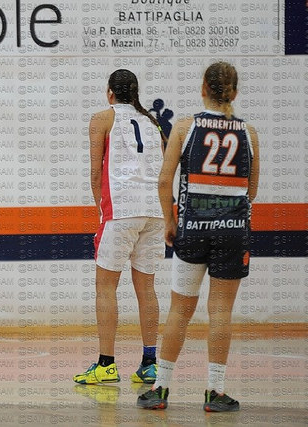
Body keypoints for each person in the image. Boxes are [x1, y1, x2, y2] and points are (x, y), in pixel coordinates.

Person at [137, 62, 260, 412]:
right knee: (220, 312)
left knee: (180, 310)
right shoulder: (249, 133)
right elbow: (251, 190)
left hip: (192, 228)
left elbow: (164, 181)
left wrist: (170, 222)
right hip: (233, 232)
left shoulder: (184, 127)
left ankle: (160, 388)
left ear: (203, 87)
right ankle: (215, 392)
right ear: (234, 92)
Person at [74, 69, 167, 386]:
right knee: (147, 289)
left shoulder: (102, 118)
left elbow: (95, 172)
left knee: (106, 286)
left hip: (122, 209)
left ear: (109, 93)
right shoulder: (153, 123)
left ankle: (106, 364)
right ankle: (150, 362)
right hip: (154, 210)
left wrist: (100, 211)